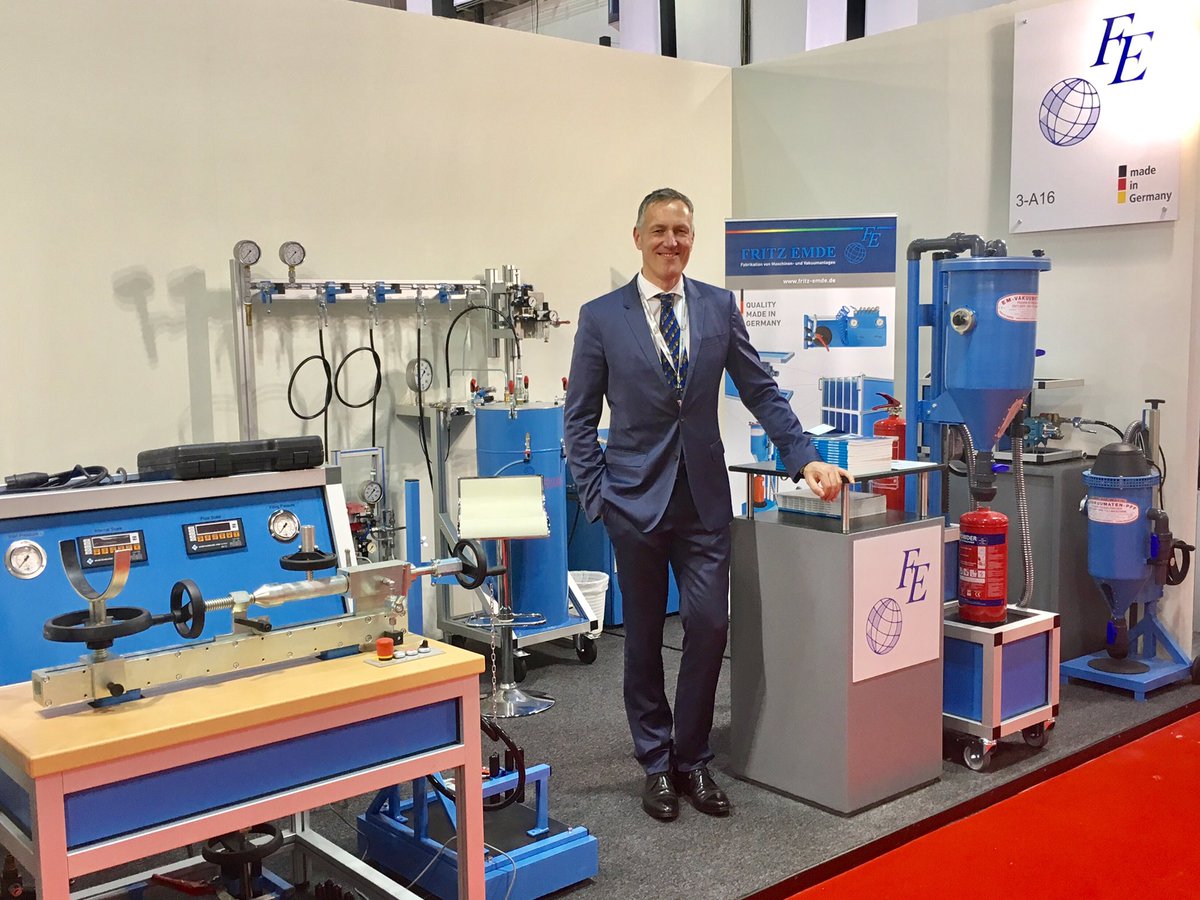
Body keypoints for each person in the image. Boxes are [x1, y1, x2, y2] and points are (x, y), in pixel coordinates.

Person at [564, 188, 851, 822]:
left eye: (682, 232)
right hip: (634, 504)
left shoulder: (718, 307)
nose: (671, 242)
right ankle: (655, 763)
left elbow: (760, 389)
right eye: (659, 231)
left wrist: (803, 456)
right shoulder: (601, 317)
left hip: (702, 501)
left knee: (709, 626)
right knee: (643, 638)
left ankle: (692, 758)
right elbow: (578, 419)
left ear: (692, 239)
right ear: (637, 237)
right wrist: (599, 497)